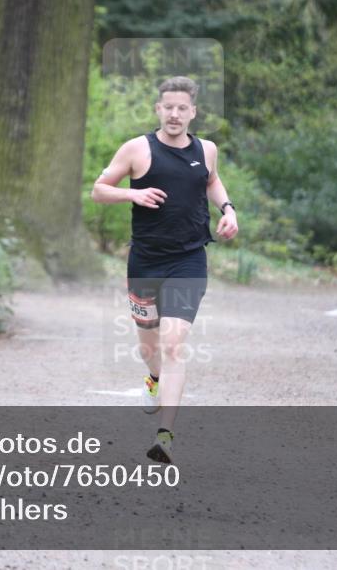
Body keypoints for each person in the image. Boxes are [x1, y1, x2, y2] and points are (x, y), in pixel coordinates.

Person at [91, 76, 238, 463]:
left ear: (193, 112)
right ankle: (153, 379)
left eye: (182, 108)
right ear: (158, 109)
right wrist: (132, 192)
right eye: (167, 107)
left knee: (174, 344)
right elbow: (98, 190)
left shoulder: (207, 150)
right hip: (145, 261)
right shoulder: (137, 149)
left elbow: (212, 180)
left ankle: (165, 435)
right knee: (149, 346)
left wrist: (228, 209)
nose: (174, 114)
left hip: (189, 259)